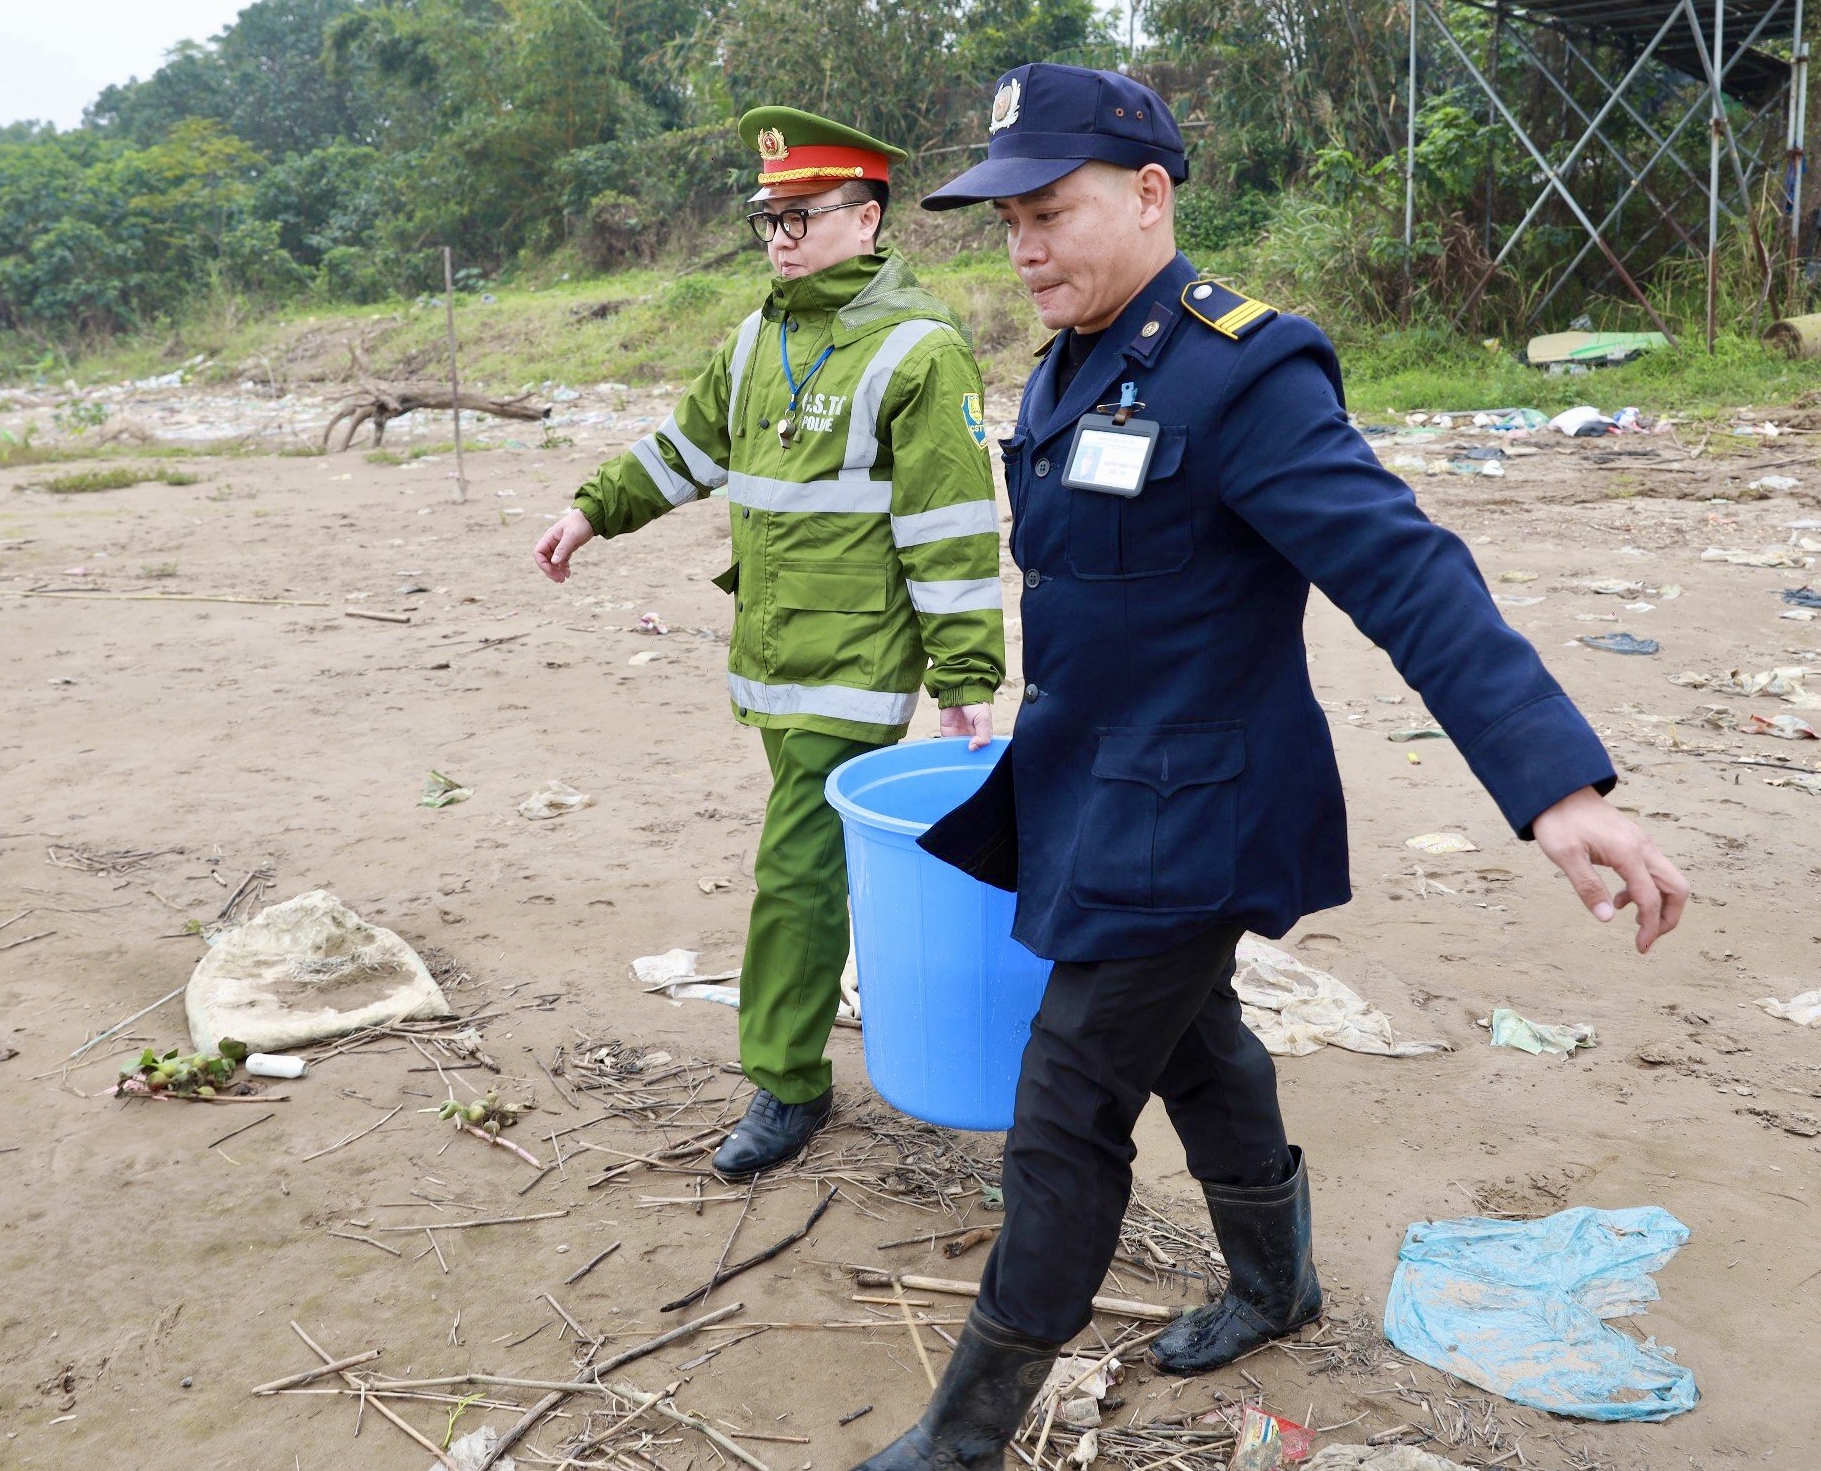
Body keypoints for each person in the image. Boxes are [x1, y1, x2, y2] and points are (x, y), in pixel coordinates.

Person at [849, 63, 1691, 1471]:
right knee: (1195, 1039)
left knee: (1065, 1099)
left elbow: (1405, 572)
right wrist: (999, 701)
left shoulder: (1243, 367)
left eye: (1050, 212)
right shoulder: (1070, 357)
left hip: (1193, 815)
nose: (1024, 247)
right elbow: (1085, 584)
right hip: (1089, 784)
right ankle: (1275, 1275)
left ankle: (966, 1427)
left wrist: (1555, 785)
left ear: (1149, 195)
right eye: (1007, 222)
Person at [530, 107, 1006, 1180]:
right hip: (769, 652)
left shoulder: (918, 351)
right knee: (826, 864)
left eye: (802, 215)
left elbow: (950, 527)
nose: (781, 236)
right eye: (767, 219)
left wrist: (964, 676)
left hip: (856, 663)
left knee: (794, 870)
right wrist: (592, 510)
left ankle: (789, 1080)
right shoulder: (757, 338)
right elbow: (688, 447)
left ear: (869, 218)